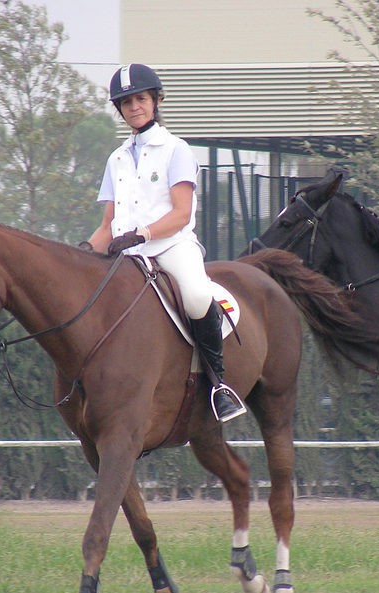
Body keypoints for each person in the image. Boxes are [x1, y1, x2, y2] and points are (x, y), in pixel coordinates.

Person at [85, 63, 246, 422]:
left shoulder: (176, 150)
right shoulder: (117, 159)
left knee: (197, 295)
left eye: (140, 99)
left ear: (155, 101)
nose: (134, 107)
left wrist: (142, 234)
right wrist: (82, 252)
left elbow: (181, 213)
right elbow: (107, 224)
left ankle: (219, 384)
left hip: (171, 247)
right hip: (127, 254)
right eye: (126, 103)